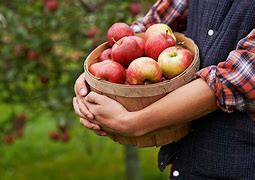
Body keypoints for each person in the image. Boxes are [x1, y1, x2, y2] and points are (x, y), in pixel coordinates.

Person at [73, 0, 255, 179]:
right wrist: (97, 73)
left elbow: (235, 79)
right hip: (186, 164)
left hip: (238, 165)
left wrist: (132, 122)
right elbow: (156, 23)